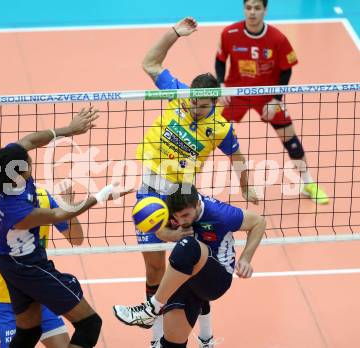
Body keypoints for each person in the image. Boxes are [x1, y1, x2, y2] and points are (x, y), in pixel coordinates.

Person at [137, 17, 258, 347]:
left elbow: (237, 156)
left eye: (202, 106)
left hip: (182, 198)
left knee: (190, 266)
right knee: (154, 270)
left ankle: (205, 337)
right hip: (149, 191)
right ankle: (155, 337)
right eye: (192, 101)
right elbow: (150, 62)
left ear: (214, 103)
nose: (193, 108)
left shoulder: (219, 127)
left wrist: (246, 184)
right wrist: (175, 33)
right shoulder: (178, 95)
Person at [0, 106, 133, 348]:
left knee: (29, 332)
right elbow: (60, 213)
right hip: (27, 266)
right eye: (28, 162)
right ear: (18, 175)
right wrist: (101, 195)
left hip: (6, 260)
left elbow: (28, 141)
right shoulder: (16, 211)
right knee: (90, 325)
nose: (30, 159)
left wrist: (68, 130)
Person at [113, 183, 266, 347]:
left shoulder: (221, 214)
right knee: (171, 343)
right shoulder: (170, 208)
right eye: (177, 217)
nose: (181, 220)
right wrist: (173, 234)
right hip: (190, 278)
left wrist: (245, 259)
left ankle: (150, 309)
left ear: (198, 204)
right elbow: (159, 230)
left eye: (186, 215)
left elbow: (259, 222)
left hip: (217, 279)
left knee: (188, 245)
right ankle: (200, 338)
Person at [215, 0, 329, 204]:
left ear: (265, 10)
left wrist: (276, 99)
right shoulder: (229, 33)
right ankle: (187, 184)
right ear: (244, 9)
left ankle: (308, 183)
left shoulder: (278, 38)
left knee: (290, 139)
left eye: (257, 8)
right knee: (205, 132)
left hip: (268, 94)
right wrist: (222, 86)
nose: (252, 12)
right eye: (248, 8)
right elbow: (220, 60)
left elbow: (287, 69)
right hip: (236, 92)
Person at [0, 186, 83, 348]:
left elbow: (76, 239)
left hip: (38, 292)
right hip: (5, 299)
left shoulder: (43, 198)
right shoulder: (2, 205)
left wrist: (69, 210)